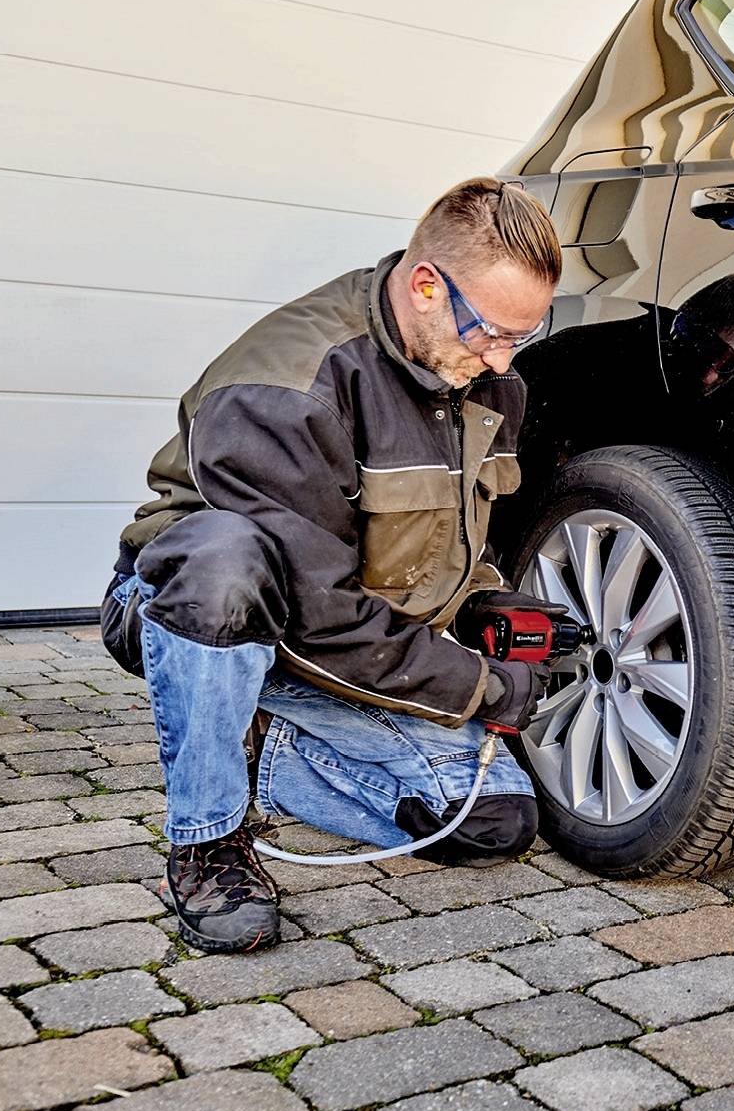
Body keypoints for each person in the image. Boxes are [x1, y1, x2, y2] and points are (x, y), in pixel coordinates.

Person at [99, 178, 562, 953]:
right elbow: (320, 613)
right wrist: (479, 687)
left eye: (524, 332)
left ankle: (257, 738)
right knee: (224, 560)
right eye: (489, 331)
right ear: (425, 286)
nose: (502, 358)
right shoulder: (285, 388)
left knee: (490, 821)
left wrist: (487, 606)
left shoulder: (484, 380)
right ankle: (207, 838)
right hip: (197, 612)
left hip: (339, 635)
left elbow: (451, 544)